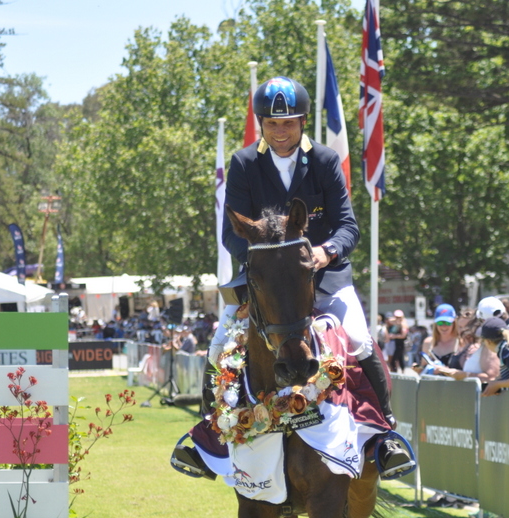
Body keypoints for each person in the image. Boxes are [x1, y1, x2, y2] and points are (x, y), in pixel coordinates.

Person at [175, 76, 409, 478]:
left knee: (359, 337)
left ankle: (385, 435)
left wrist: (325, 251)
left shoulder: (324, 161)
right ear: (261, 124)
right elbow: (231, 233)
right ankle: (208, 441)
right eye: (272, 124)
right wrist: (265, 261)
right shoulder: (244, 163)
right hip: (265, 281)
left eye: (288, 123)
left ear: (302, 122)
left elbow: (348, 226)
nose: (280, 132)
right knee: (218, 346)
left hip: (323, 275)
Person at [418, 304, 459, 371]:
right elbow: (423, 370)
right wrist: (417, 369)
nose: (444, 326)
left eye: (448, 323)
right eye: (440, 323)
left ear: (454, 323)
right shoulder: (428, 343)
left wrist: (446, 370)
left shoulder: (460, 343)